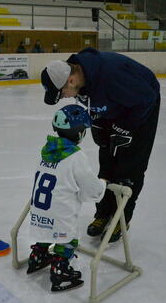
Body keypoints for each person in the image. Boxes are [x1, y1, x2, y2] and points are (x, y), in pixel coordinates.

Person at [40, 48, 160, 244]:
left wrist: (126, 128)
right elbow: (92, 100)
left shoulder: (111, 75)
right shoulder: (80, 78)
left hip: (141, 107)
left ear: (70, 80)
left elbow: (146, 98)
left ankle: (121, 219)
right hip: (113, 104)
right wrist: (97, 122)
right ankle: (103, 213)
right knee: (106, 158)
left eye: (62, 94)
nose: (65, 98)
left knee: (130, 165)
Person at [27, 104, 107, 292]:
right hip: (60, 213)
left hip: (39, 211)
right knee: (68, 239)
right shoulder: (76, 156)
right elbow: (92, 190)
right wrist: (102, 183)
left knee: (46, 232)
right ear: (79, 133)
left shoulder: (46, 151)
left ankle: (38, 255)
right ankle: (60, 270)